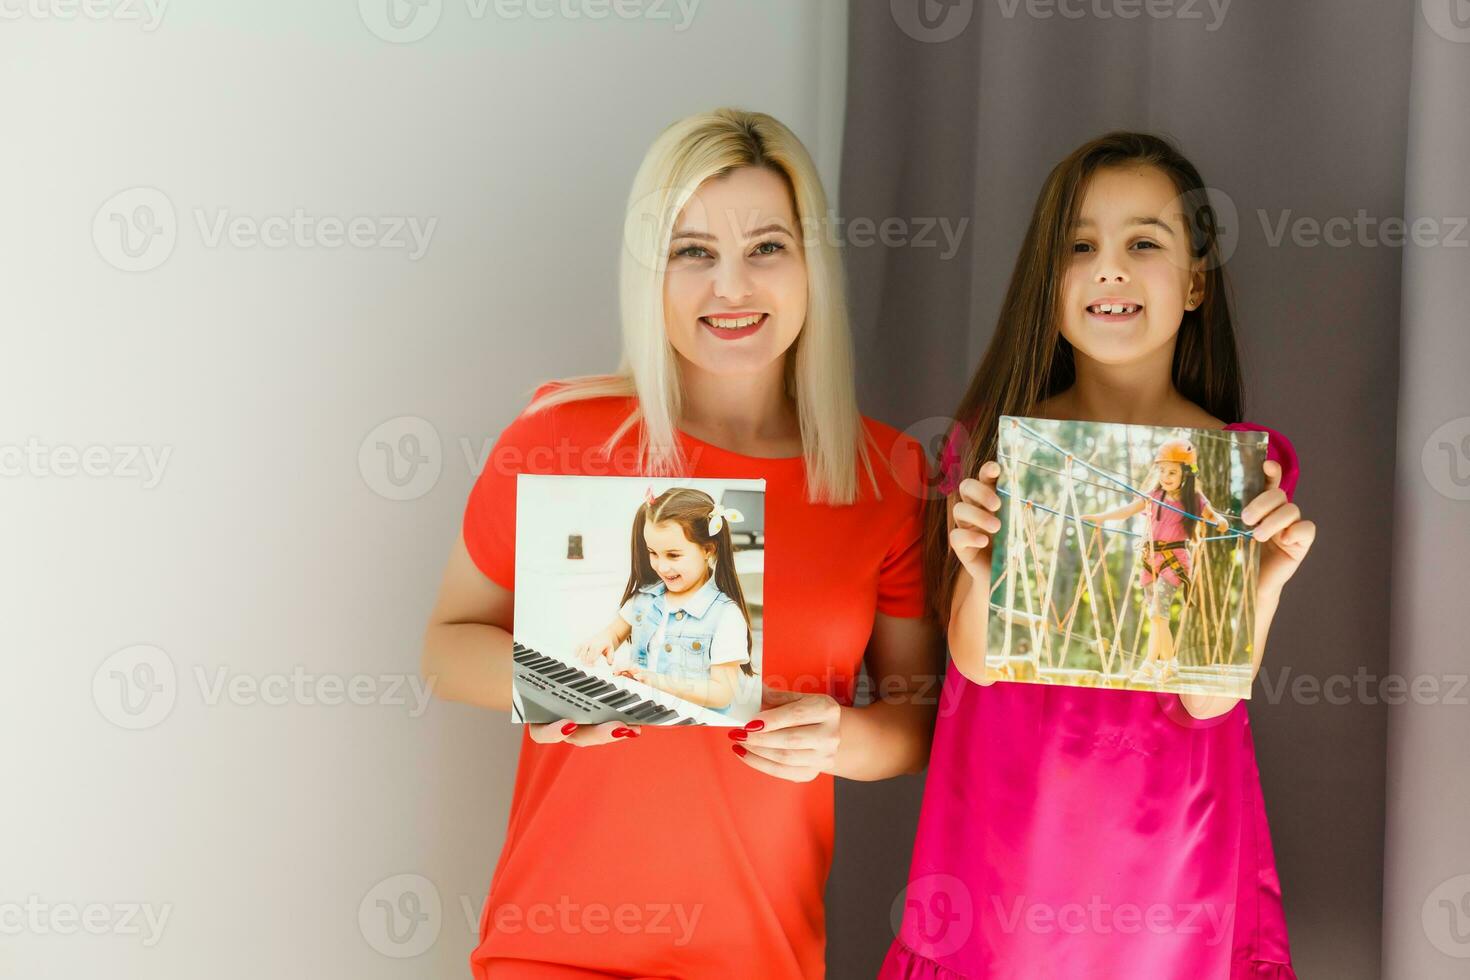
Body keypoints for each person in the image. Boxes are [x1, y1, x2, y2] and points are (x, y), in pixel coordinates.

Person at [421, 107, 942, 979]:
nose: (730, 288)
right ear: (649, 273)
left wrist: (837, 740)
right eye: (692, 251)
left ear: (812, 264)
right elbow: (444, 648)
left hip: (763, 955)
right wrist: (556, 686)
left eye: (766, 247)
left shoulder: (886, 473)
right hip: (553, 951)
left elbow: (913, 718)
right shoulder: (561, 433)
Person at [882, 132, 1316, 979]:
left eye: (1143, 243)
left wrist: (1267, 581)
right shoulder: (991, 448)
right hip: (1014, 835)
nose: (1109, 269)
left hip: (1171, 852)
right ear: (1049, 286)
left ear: (1194, 281)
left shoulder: (1242, 464)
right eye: (1080, 247)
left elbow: (1207, 696)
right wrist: (982, 571)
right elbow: (977, 662)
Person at [576, 486, 755, 714]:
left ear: (708, 549)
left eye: (673, 555)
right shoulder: (644, 597)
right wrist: (603, 640)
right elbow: (614, 633)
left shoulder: (725, 615)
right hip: (642, 712)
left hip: (693, 726)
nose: (661, 566)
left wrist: (654, 681)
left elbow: (722, 694)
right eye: (653, 552)